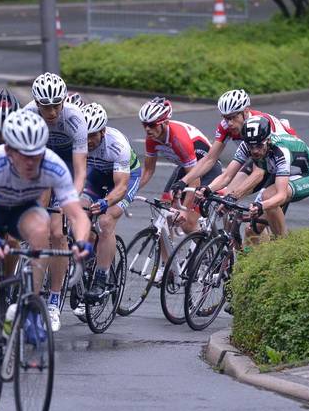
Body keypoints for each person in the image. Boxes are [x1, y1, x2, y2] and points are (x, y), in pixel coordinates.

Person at [0, 110, 92, 409]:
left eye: (37, 155)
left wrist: (82, 240)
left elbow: (76, 214)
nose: (32, 162)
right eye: (24, 156)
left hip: (22, 211)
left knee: (42, 226)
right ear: (8, 150)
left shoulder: (53, 165)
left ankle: (31, 303)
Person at [24, 73, 88, 332]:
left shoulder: (74, 118)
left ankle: (53, 299)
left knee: (57, 234)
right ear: (36, 103)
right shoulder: (28, 114)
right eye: (45, 106)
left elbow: (81, 171)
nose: (51, 112)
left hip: (67, 168)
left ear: (63, 101)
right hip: (41, 164)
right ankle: (33, 297)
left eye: (56, 105)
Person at [176, 88, 294, 199]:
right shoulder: (226, 126)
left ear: (246, 111)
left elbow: (259, 172)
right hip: (261, 159)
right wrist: (183, 181)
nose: (230, 123)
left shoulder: (262, 124)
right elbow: (210, 159)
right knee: (226, 202)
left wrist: (235, 196)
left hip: (287, 163)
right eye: (226, 118)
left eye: (233, 117)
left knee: (265, 203)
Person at [79, 102, 141, 305]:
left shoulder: (117, 144)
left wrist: (105, 202)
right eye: (84, 135)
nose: (88, 141)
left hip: (125, 177)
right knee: (78, 212)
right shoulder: (77, 140)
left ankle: (101, 277)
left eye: (93, 135)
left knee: (106, 222)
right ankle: (85, 264)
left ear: (103, 132)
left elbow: (121, 187)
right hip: (96, 175)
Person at [228, 116, 309, 238]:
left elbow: (281, 195)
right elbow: (227, 175)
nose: (255, 151)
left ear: (268, 140)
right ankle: (258, 255)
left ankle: (284, 245)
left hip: (305, 175)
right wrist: (207, 189)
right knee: (251, 231)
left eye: (259, 146)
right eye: (251, 146)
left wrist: (261, 205)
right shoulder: (248, 145)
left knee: (269, 197)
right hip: (279, 173)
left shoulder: (280, 150)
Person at [137, 97, 217, 234]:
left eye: (152, 124)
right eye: (144, 124)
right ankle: (169, 256)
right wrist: (128, 192)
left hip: (206, 170)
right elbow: (148, 171)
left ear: (165, 122)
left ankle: (203, 252)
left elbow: (194, 178)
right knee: (164, 214)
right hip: (185, 168)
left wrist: (184, 210)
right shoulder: (151, 138)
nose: (148, 129)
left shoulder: (178, 139)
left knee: (187, 224)